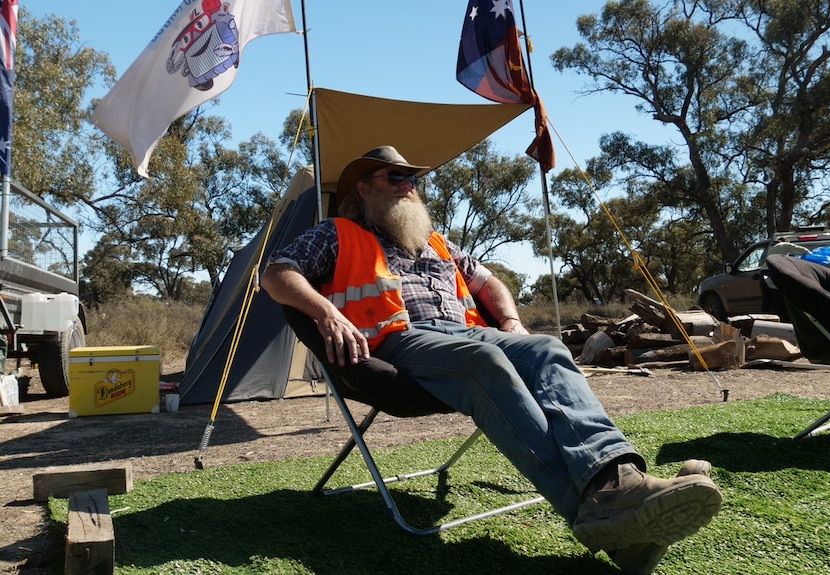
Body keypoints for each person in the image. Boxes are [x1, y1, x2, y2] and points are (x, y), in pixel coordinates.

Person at [261, 145, 722, 574]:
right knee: (484, 361)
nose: (409, 185)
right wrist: (326, 314)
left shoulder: (437, 244)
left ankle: (618, 485)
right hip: (400, 341)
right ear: (363, 189)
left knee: (548, 348)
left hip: (469, 335)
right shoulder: (338, 234)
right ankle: (604, 507)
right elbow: (277, 273)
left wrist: (510, 321)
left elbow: (488, 282)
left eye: (413, 178)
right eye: (395, 176)